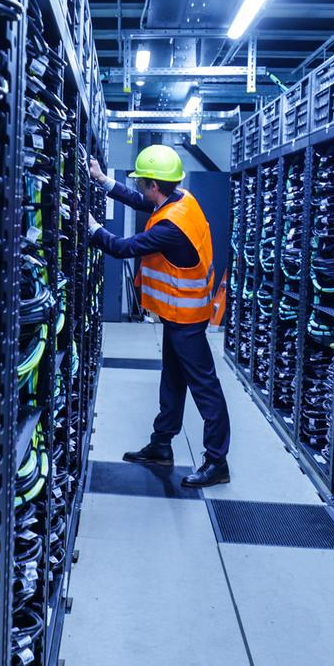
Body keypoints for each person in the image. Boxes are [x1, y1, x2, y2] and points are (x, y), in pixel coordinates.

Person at [85, 144, 231, 488]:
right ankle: (162, 444)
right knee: (173, 379)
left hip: (187, 318)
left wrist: (92, 228)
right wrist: (103, 180)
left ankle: (217, 462)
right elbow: (141, 202)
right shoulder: (182, 199)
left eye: (141, 183)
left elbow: (122, 248)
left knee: (205, 388)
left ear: (154, 185)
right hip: (179, 313)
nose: (138, 188)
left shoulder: (171, 227)